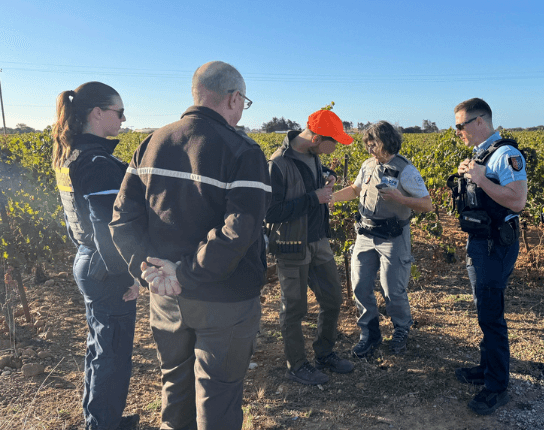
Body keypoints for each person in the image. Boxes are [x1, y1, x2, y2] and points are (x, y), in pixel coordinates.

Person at [110, 61, 270, 430]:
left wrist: (148, 270)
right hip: (224, 300)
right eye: (244, 103)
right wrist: (186, 272)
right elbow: (239, 230)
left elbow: (121, 217)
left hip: (165, 298)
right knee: (218, 399)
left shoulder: (151, 143)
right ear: (233, 98)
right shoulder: (243, 152)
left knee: (174, 388)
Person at [51, 82, 140, 430]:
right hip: (106, 265)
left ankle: (101, 417)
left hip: (88, 260)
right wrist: (128, 274)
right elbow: (109, 228)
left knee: (101, 346)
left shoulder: (72, 155)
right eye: (119, 113)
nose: (123, 119)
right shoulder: (99, 162)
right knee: (114, 354)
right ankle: (103, 425)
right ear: (97, 114)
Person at [449, 98, 528, 415]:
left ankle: (496, 386)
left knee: (491, 314)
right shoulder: (482, 155)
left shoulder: (507, 155)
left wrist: (480, 179)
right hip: (481, 242)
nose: (457, 133)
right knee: (485, 309)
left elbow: (518, 201)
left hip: (496, 244)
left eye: (460, 126)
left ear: (479, 121)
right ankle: (486, 368)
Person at [265, 108, 355, 385]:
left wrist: (326, 179)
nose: (336, 146)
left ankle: (324, 353)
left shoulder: (313, 156)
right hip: (292, 245)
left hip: (318, 241)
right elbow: (269, 213)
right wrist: (312, 198)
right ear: (316, 138)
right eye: (334, 141)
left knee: (333, 300)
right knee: (294, 309)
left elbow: (310, 183)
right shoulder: (277, 164)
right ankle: (297, 365)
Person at [332, 121, 433, 357]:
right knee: (360, 286)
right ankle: (369, 333)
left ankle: (401, 329)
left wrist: (400, 198)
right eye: (367, 144)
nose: (369, 148)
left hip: (393, 236)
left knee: (393, 289)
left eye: (373, 143)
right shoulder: (367, 166)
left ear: (387, 142)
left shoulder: (405, 170)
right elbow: (356, 190)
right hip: (365, 234)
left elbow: (427, 205)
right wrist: (331, 198)